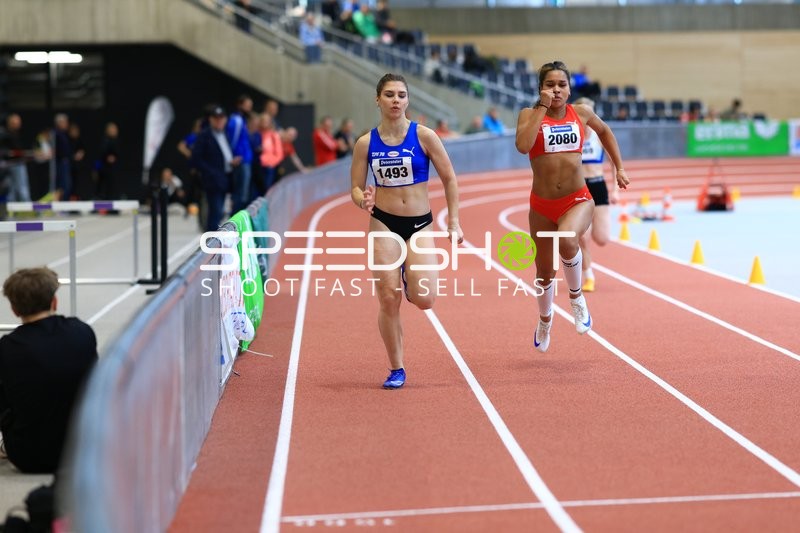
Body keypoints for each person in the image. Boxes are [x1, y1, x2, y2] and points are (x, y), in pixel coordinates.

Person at [350, 73, 463, 389]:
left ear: (408, 100)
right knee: (388, 299)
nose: (396, 100)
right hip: (383, 223)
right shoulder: (365, 143)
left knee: (425, 300)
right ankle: (396, 367)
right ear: (378, 99)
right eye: (389, 95)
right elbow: (355, 188)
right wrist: (362, 199)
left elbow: (450, 179)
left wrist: (453, 221)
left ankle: (411, 282)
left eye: (401, 95)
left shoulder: (425, 136)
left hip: (419, 224)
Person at [514, 61, 629, 353]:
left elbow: (605, 132)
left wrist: (618, 167)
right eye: (550, 85)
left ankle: (577, 298)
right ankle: (545, 319)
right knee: (544, 273)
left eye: (561, 85)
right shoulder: (528, 114)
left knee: (567, 240)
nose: (556, 90)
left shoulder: (581, 113)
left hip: (577, 198)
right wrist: (541, 108)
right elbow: (523, 146)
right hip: (541, 206)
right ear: (540, 88)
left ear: (569, 89)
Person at [0, 267, 98, 473]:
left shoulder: (7, 347)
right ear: (54, 302)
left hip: (29, 456)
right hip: (83, 450)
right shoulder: (82, 331)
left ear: (15, 310)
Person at [574, 97, 617, 293]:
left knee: (602, 238)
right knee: (582, 236)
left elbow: (614, 161)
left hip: (598, 185)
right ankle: (588, 274)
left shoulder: (599, 136)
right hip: (579, 188)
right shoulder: (572, 135)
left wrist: (615, 189)